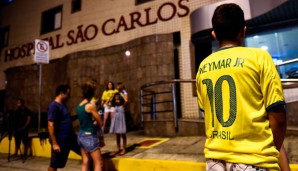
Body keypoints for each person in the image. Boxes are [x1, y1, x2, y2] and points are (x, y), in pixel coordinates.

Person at [196, 3, 287, 171]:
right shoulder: (260, 58)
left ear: (214, 35)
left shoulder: (203, 67)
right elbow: (278, 118)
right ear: (243, 31)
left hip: (214, 162)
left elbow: (206, 113)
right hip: (255, 161)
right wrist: (269, 151)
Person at [47, 85, 81, 171]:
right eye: (68, 94)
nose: (69, 96)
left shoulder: (63, 105)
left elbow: (66, 119)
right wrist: (54, 143)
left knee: (84, 152)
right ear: (61, 93)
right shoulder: (53, 106)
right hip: (60, 140)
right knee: (54, 165)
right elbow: (50, 124)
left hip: (71, 138)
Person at [77, 82, 104, 171]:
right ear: (92, 94)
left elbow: (85, 120)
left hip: (81, 135)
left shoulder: (79, 106)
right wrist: (97, 121)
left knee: (85, 161)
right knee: (98, 163)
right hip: (89, 136)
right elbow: (100, 122)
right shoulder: (90, 106)